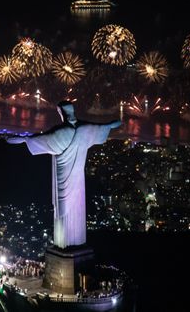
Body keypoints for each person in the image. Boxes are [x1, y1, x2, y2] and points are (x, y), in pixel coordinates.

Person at [7, 101, 121, 248]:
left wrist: (24, 139)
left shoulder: (62, 132)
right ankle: (75, 242)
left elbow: (41, 140)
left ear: (61, 112)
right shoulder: (85, 128)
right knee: (75, 207)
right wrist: (111, 125)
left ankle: (65, 244)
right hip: (78, 178)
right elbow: (104, 127)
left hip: (64, 177)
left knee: (63, 210)